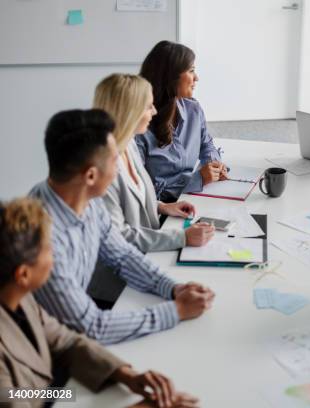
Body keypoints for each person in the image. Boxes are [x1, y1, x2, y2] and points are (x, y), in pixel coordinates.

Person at [29, 109, 215, 345]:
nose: (120, 169)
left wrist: (173, 289)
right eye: (115, 160)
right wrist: (176, 311)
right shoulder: (44, 239)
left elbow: (123, 256)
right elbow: (93, 326)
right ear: (90, 176)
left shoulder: (85, 200)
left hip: (69, 331)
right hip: (37, 359)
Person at [0, 197, 199, 408]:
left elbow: (65, 341)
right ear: (23, 274)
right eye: (49, 250)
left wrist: (124, 374)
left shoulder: (20, 297)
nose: (56, 256)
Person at [93, 73, 214, 252]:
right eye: (149, 106)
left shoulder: (129, 144)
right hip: (126, 266)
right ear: (129, 111)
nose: (155, 112)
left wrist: (163, 207)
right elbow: (118, 237)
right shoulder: (101, 168)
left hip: (150, 245)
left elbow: (133, 199)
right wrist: (182, 237)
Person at [136, 40, 227, 203]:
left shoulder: (193, 109)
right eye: (191, 71)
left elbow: (206, 144)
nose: (196, 78)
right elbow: (143, 195)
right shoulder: (140, 126)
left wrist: (214, 163)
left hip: (195, 196)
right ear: (170, 77)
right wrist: (197, 180)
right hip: (164, 212)